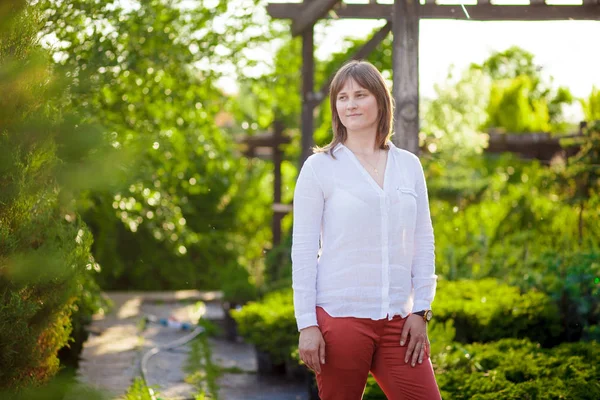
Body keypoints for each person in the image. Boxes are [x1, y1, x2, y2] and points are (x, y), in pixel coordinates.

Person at [291, 60, 442, 400]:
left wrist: (422, 309)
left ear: (380, 100)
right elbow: (302, 251)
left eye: (360, 94)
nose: (350, 104)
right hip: (340, 320)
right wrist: (307, 325)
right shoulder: (319, 168)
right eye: (342, 97)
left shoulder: (409, 165)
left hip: (399, 323)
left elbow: (423, 238)